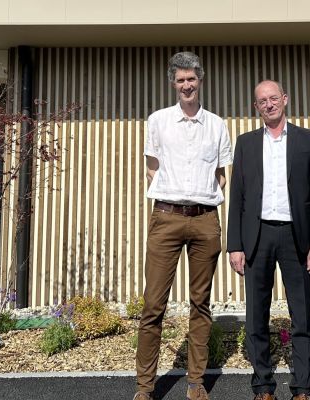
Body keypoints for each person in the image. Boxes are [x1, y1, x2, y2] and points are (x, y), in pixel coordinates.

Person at [134, 51, 232, 400]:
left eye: (192, 79)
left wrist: (200, 197)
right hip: (166, 218)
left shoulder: (217, 125)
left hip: (206, 221)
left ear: (200, 81)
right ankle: (145, 388)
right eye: (180, 80)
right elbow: (151, 167)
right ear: (173, 84)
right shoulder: (158, 121)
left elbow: (221, 175)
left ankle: (195, 383)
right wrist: (175, 195)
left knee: (200, 304)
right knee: (153, 306)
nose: (187, 85)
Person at [226, 80, 310, 400]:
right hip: (257, 237)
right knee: (257, 315)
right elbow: (238, 197)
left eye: (273, 98)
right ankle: (263, 386)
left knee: (302, 314)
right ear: (255, 107)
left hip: (296, 237)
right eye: (261, 101)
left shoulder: (307, 140)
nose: (268, 104)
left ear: (285, 99)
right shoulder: (245, 143)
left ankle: (303, 388)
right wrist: (235, 245)